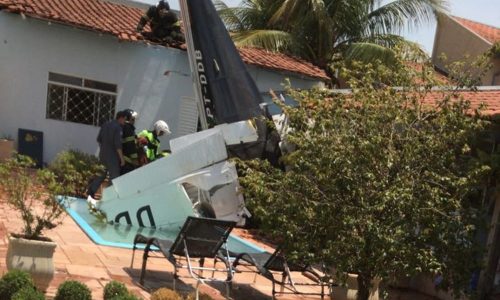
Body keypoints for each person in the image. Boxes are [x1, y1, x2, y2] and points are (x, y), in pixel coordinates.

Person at [87, 111, 126, 200]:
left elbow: (99, 140)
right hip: (113, 157)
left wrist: (104, 149)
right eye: (124, 120)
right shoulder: (118, 128)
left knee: (100, 175)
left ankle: (90, 192)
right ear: (121, 118)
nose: (124, 122)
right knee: (114, 177)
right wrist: (122, 159)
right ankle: (108, 197)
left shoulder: (105, 125)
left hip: (103, 155)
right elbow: (118, 145)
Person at [121, 109, 139, 175]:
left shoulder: (122, 127)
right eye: (133, 119)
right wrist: (135, 159)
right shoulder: (128, 128)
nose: (134, 121)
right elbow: (130, 145)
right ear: (127, 118)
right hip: (127, 160)